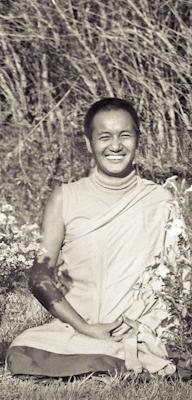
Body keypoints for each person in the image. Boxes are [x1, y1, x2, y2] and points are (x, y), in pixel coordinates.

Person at [6, 98, 180, 378]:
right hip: (78, 326)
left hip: (140, 326)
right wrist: (85, 327)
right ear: (89, 143)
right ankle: (116, 357)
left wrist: (144, 322)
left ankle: (121, 354)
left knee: (177, 345)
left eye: (125, 135)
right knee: (25, 348)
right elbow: (39, 275)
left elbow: (177, 277)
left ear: (138, 140)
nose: (115, 146)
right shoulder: (65, 197)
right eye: (104, 137)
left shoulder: (160, 199)